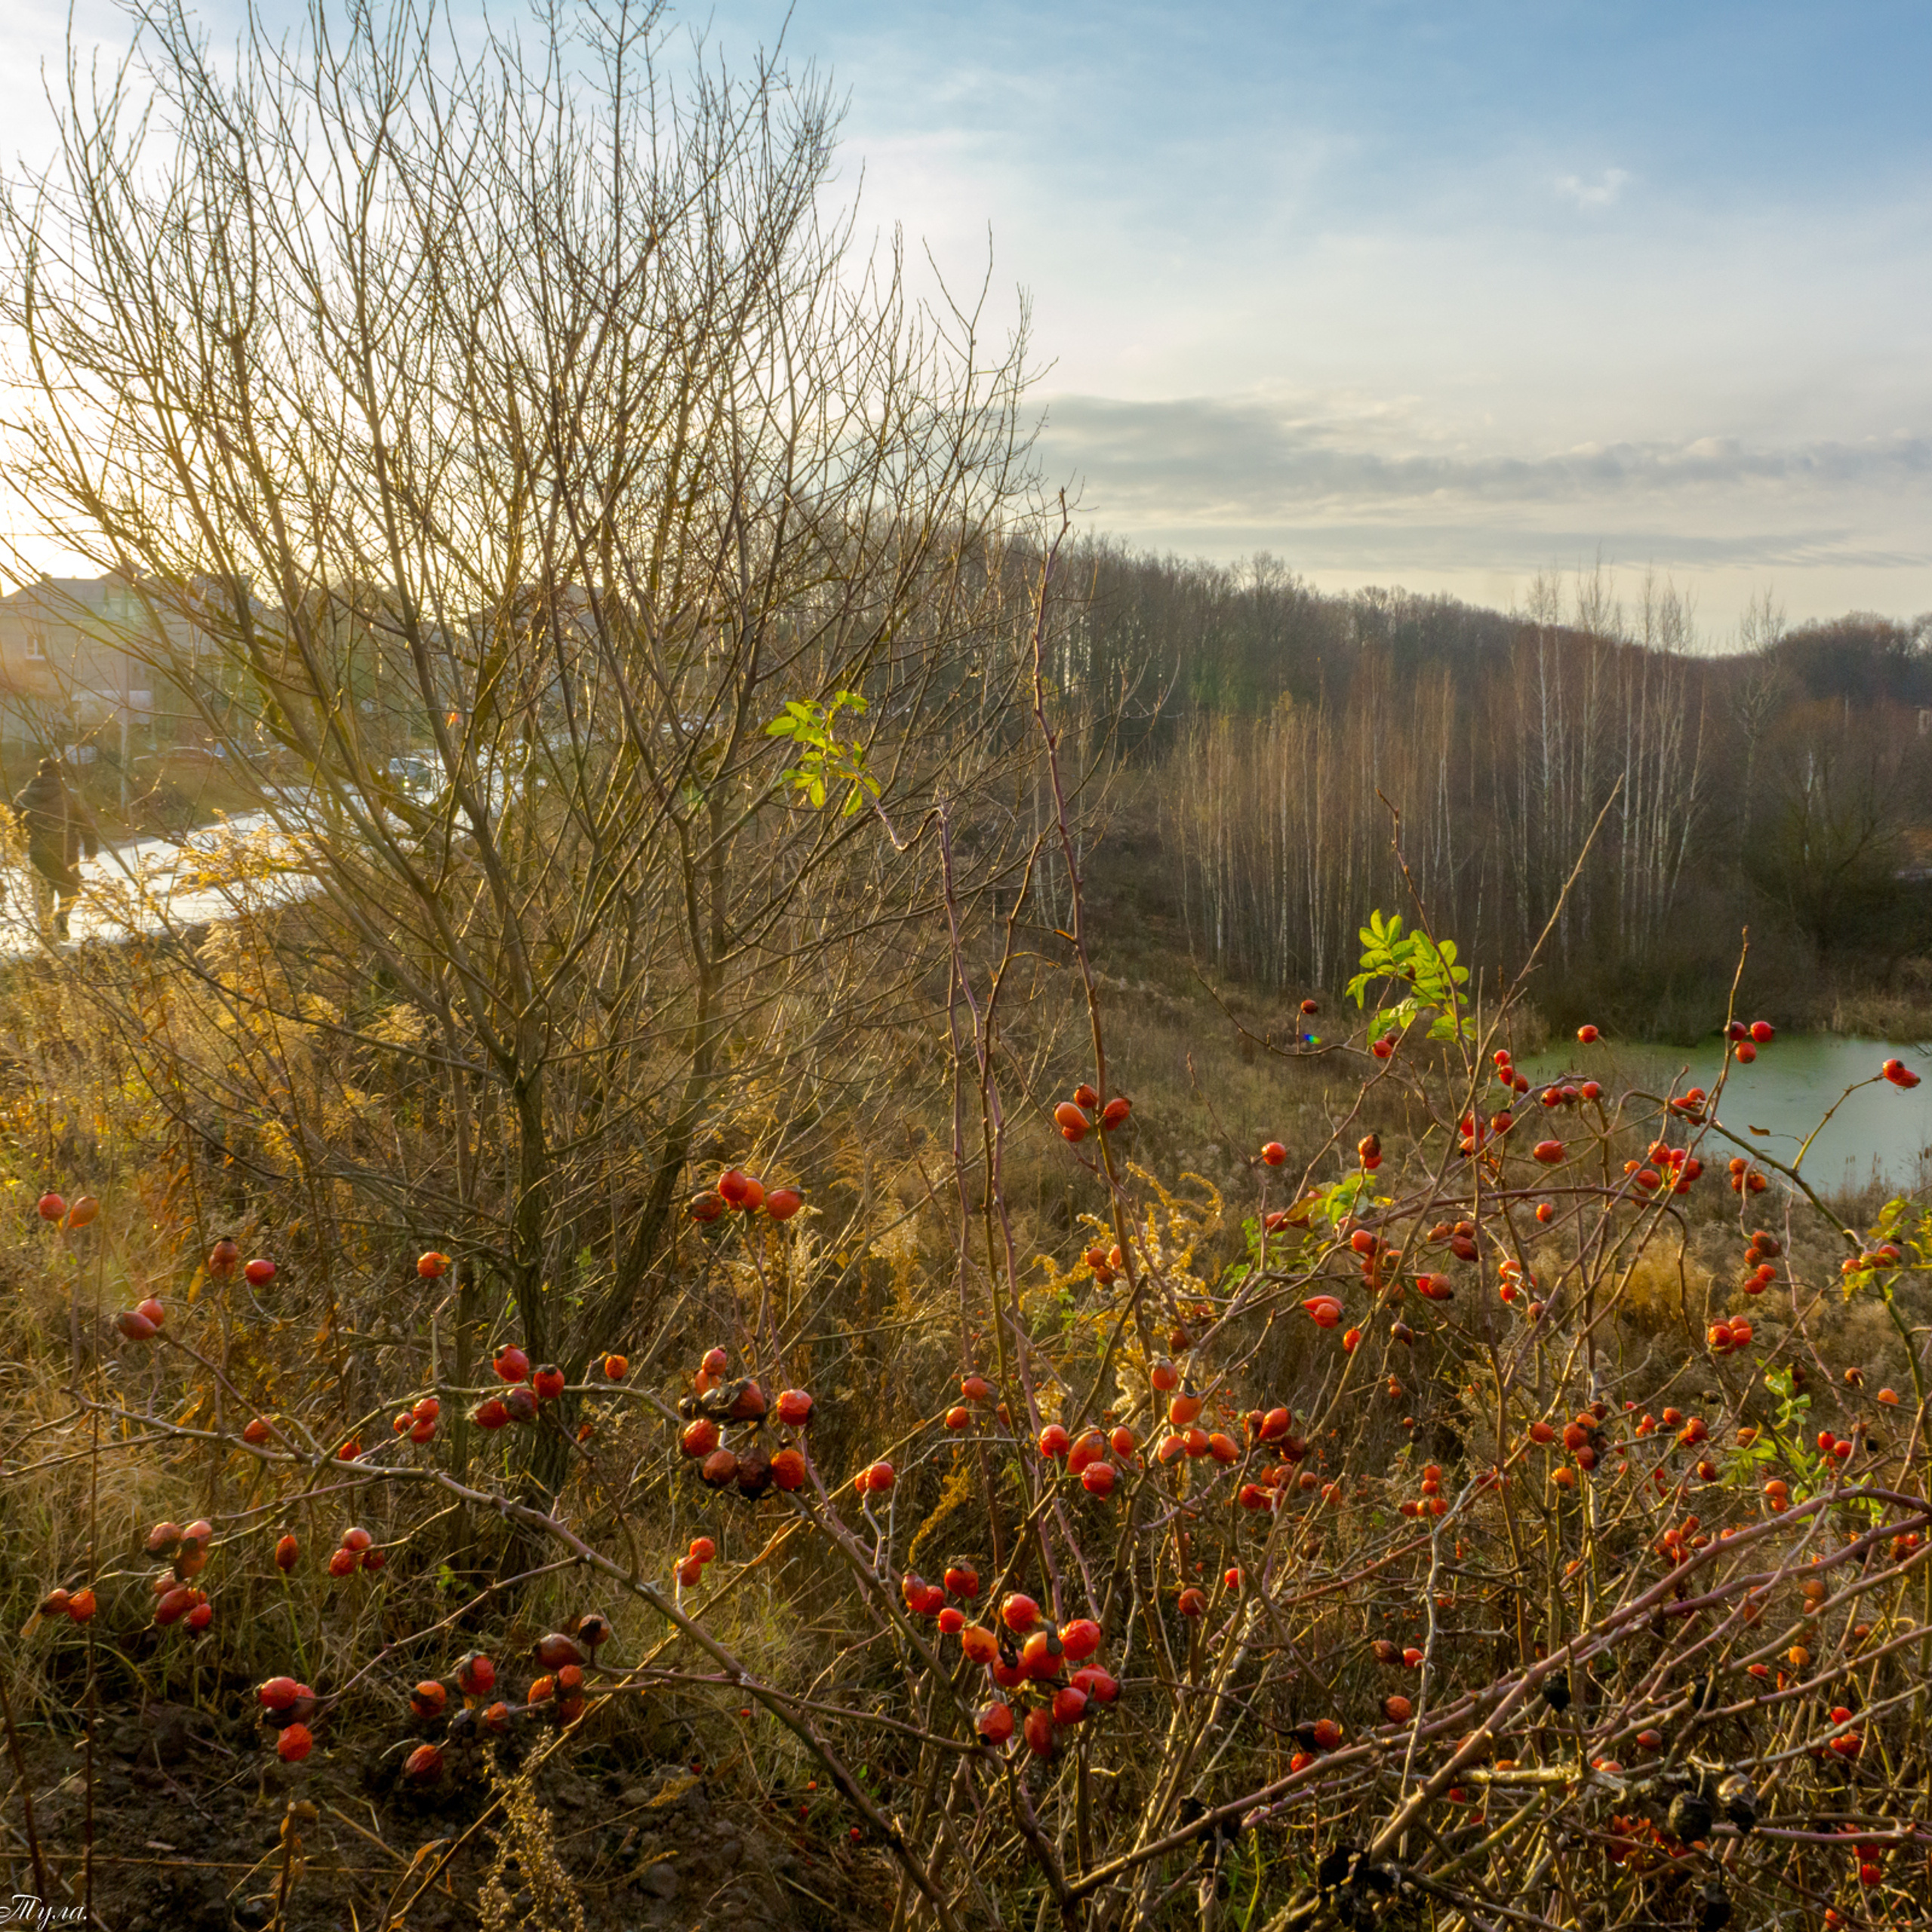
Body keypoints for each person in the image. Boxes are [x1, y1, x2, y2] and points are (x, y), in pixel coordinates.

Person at [11, 754, 99, 942]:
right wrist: (91, 847)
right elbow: (85, 823)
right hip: (66, 852)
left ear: (39, 773)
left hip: (37, 852)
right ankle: (61, 919)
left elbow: (16, 828)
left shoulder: (22, 797)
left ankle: (46, 932)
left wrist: (17, 850)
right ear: (60, 773)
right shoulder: (70, 795)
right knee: (71, 888)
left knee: (44, 891)